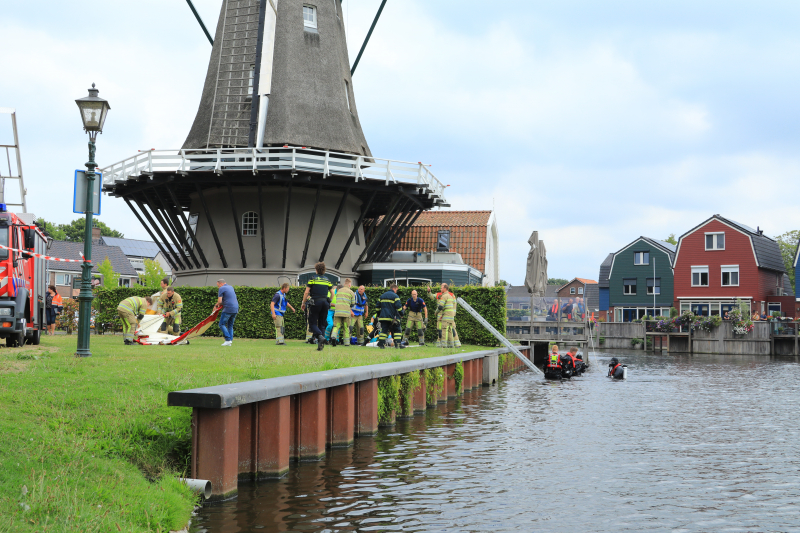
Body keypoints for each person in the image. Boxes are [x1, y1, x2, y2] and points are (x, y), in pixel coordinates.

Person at [301, 262, 335, 351]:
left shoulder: (312, 279)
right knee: (322, 324)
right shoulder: (327, 280)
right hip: (325, 303)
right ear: (324, 270)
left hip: (315, 302)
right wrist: (329, 300)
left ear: (316, 270)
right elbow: (332, 293)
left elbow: (306, 292)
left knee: (312, 323)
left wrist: (303, 302)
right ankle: (321, 346)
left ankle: (319, 336)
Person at [427, 283, 462, 348]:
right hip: (442, 315)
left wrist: (453, 314)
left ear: (445, 288)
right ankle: (441, 344)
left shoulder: (451, 295)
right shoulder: (439, 294)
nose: (440, 288)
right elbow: (431, 297)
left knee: (451, 329)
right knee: (441, 330)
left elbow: (454, 305)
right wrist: (429, 292)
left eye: (441, 287)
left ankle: (456, 343)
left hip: (446, 314)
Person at [330, 278, 355, 346]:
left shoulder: (339, 291)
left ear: (344, 284)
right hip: (346, 313)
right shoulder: (351, 292)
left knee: (336, 326)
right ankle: (346, 343)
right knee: (346, 327)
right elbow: (353, 304)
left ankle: (333, 337)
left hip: (337, 312)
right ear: (350, 285)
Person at [378, 284, 403, 349]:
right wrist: (402, 314)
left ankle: (381, 345)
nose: (396, 291)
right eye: (396, 290)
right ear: (394, 289)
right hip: (392, 318)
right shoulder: (395, 296)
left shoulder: (382, 296)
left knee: (384, 331)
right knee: (397, 330)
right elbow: (399, 307)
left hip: (383, 317)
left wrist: (379, 315)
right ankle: (397, 345)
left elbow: (377, 307)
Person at [214, 279, 239, 347]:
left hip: (228, 308)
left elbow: (220, 301)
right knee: (230, 325)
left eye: (218, 286)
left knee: (221, 324)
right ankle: (230, 341)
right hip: (235, 309)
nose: (218, 287)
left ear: (221, 284)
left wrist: (216, 305)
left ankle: (228, 340)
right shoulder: (231, 287)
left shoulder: (222, 288)